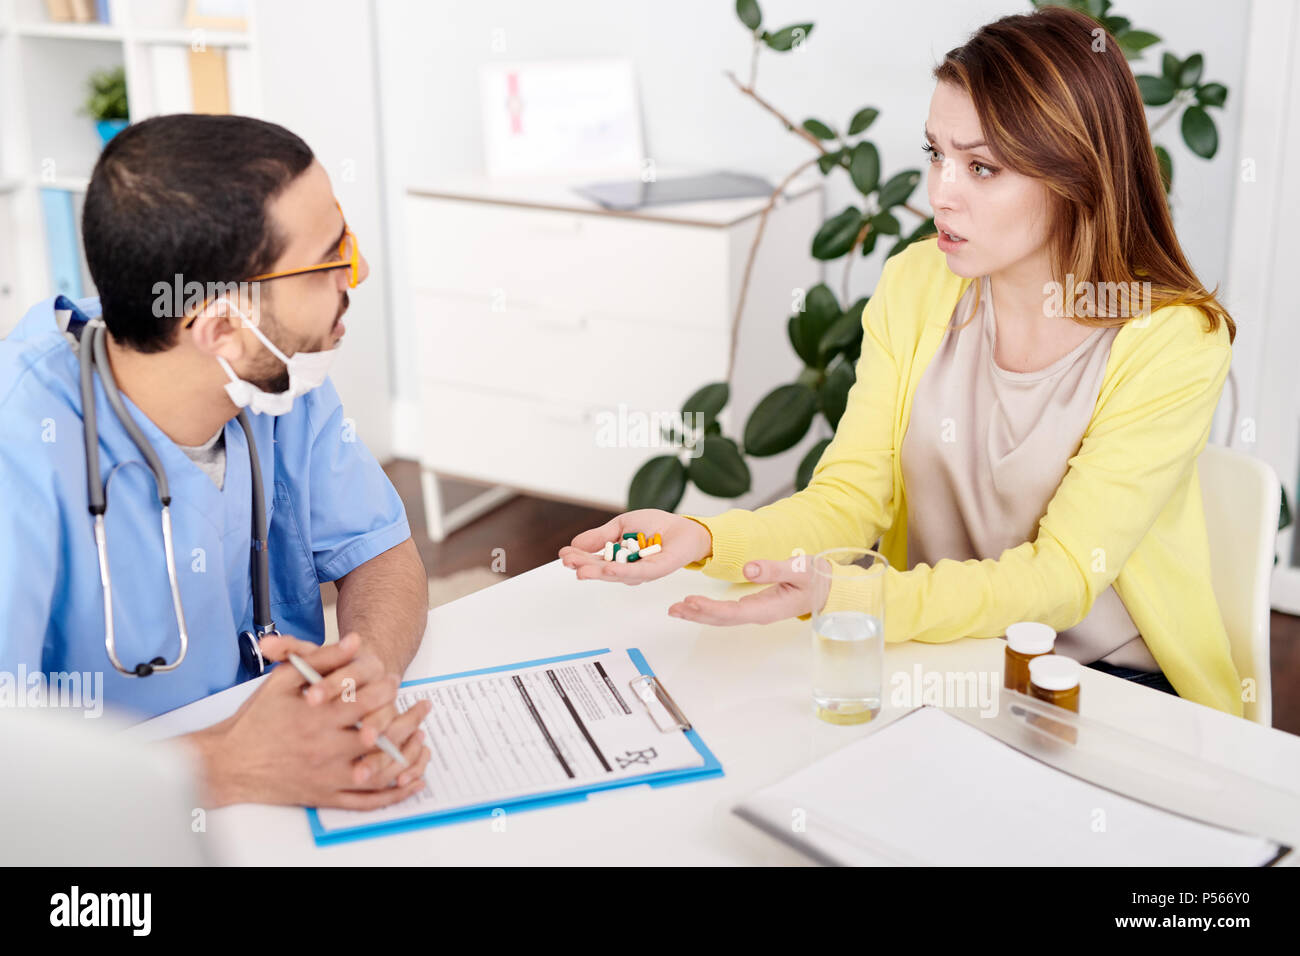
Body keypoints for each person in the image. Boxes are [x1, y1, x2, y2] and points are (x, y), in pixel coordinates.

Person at [559, 6, 1244, 716]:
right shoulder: (920, 283)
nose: (940, 193)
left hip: (1109, 686)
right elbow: (849, 500)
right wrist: (704, 537)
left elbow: (1064, 577)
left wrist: (848, 594)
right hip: (951, 655)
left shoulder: (1170, 340)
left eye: (982, 167)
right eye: (935, 154)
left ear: (1076, 178)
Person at [0, 114, 434, 807]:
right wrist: (226, 766)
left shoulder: (278, 374)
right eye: (331, 262)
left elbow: (379, 551)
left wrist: (362, 674)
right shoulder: (19, 448)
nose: (359, 274)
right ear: (224, 328)